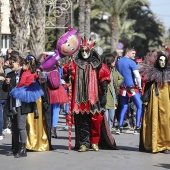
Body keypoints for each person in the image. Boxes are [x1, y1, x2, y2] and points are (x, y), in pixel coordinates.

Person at [63, 37, 117, 152]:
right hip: (80, 98)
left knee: (96, 120)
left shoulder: (98, 64)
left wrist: (103, 95)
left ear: (90, 51)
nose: (84, 53)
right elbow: (68, 77)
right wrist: (67, 73)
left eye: (86, 51)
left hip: (94, 98)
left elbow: (104, 80)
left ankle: (95, 142)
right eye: (82, 51)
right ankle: (84, 143)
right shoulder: (75, 64)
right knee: (82, 122)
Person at [3, 51, 39, 158]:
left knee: (20, 126)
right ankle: (15, 148)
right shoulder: (9, 74)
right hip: (12, 104)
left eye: (12, 63)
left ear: (18, 63)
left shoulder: (24, 73)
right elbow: (6, 90)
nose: (10, 65)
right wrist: (7, 83)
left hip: (22, 104)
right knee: (14, 127)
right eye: (9, 63)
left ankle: (23, 149)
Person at [139, 51, 170, 154]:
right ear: (157, 61)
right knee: (154, 120)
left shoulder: (169, 74)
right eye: (160, 60)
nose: (162, 63)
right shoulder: (152, 73)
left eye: (164, 61)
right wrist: (145, 101)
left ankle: (165, 145)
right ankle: (154, 143)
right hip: (154, 101)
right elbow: (147, 87)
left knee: (166, 122)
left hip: (166, 102)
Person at [116, 47, 142, 134]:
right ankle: (137, 127)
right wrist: (140, 86)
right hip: (132, 89)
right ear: (128, 52)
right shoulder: (132, 62)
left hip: (122, 88)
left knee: (124, 107)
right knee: (139, 105)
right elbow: (137, 76)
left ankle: (119, 127)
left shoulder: (118, 62)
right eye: (133, 53)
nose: (134, 55)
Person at [102, 53, 123, 132]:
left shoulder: (114, 70)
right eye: (113, 61)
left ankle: (109, 133)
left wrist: (116, 84)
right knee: (106, 119)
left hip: (113, 95)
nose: (115, 62)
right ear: (109, 61)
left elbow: (121, 78)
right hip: (105, 95)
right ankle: (106, 135)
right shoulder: (102, 70)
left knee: (111, 118)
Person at [0, 56, 8, 140]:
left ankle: (0, 132)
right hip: (4, 96)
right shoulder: (4, 73)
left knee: (0, 115)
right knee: (2, 114)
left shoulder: (2, 74)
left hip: (1, 96)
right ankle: (3, 129)